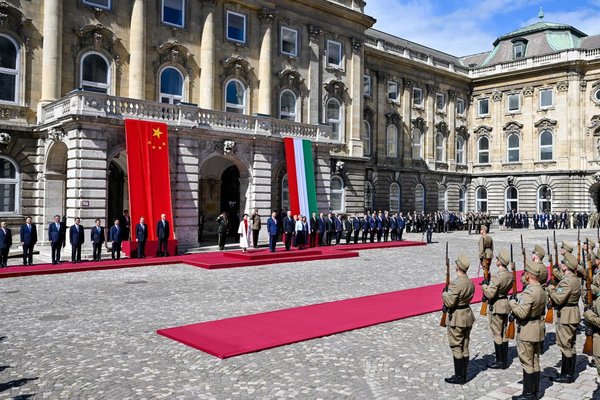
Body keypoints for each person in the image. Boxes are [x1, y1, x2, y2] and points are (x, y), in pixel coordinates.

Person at [509, 259, 547, 400]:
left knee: (527, 362)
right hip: (537, 328)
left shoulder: (529, 292)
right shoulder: (541, 290)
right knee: (535, 360)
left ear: (530, 275)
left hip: (527, 330)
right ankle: (535, 392)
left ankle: (528, 394)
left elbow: (522, 313)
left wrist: (513, 303)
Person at [548, 251, 581, 384]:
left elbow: (558, 298)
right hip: (573, 313)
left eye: (563, 262)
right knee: (571, 344)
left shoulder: (567, 282)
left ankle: (566, 374)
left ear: (566, 266)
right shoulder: (575, 280)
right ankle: (570, 372)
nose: (561, 264)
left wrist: (551, 289)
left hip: (566, 315)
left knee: (565, 344)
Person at [442, 253, 475, 385]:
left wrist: (444, 293)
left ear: (457, 267)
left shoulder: (456, 284)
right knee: (465, 346)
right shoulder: (470, 282)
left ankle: (459, 376)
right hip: (467, 315)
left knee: (456, 346)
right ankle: (464, 374)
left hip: (457, 317)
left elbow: (450, 302)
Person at [481, 249, 513, 369]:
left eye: (497, 259)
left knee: (497, 333)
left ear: (500, 262)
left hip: (497, 305)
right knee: (503, 332)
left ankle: (500, 361)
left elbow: (490, 294)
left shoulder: (497, 277)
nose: (496, 261)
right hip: (505, 303)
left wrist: (484, 285)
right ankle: (504, 359)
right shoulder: (509, 275)